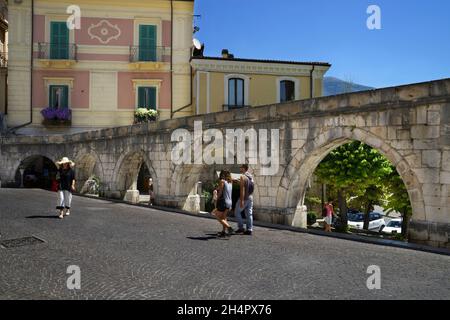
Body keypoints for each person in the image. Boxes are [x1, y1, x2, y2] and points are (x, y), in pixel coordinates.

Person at [211, 170, 234, 237]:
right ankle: (223, 232)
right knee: (224, 217)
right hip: (229, 202)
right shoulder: (230, 182)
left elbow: (220, 192)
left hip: (223, 202)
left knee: (216, 214)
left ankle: (229, 227)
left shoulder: (222, 181)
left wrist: (216, 199)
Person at [234, 164, 254, 235]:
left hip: (244, 198)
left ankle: (241, 227)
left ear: (244, 168)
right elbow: (247, 185)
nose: (240, 169)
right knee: (249, 214)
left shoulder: (242, 177)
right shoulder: (250, 176)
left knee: (237, 212)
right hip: (250, 197)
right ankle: (249, 229)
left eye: (241, 168)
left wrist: (242, 200)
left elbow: (242, 189)